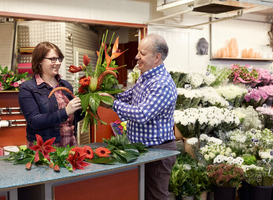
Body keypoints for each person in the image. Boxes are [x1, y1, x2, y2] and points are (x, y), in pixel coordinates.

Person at [101, 34, 178, 200]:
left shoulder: (161, 83)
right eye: (138, 52)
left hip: (158, 151)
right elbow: (129, 96)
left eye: (142, 53)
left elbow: (142, 114)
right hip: (144, 149)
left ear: (157, 57)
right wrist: (105, 95)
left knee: (156, 197)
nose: (137, 57)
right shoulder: (145, 77)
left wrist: (113, 104)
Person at [19, 42, 83, 147]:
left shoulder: (65, 85)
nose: (58, 63)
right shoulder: (28, 88)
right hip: (45, 147)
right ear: (39, 61)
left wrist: (85, 106)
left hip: (70, 144)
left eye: (59, 59)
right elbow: (34, 121)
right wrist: (65, 111)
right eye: (52, 59)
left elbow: (74, 118)